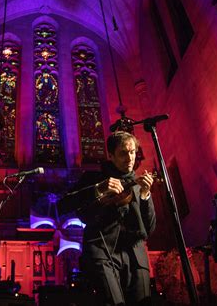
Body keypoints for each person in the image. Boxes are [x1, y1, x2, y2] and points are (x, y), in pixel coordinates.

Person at [58, 131, 156, 306]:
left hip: (136, 257)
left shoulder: (139, 184)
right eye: (123, 153)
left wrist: (145, 195)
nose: (130, 158)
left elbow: (148, 229)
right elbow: (64, 204)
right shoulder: (94, 179)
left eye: (132, 151)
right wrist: (97, 190)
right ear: (110, 156)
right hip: (102, 253)